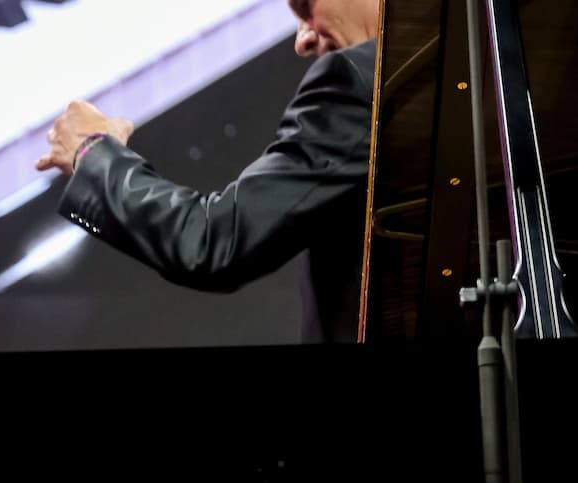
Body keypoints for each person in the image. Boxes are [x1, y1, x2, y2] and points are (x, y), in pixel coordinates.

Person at [35, 0, 381, 342]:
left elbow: (212, 244)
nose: (302, 40)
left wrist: (92, 153)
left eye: (306, 5)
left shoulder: (361, 80)